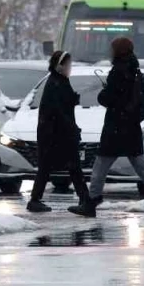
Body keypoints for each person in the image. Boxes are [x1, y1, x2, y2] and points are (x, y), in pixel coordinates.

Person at [69, 36, 144, 220]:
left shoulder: (118, 72)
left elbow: (108, 98)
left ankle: (91, 202)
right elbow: (130, 98)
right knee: (142, 167)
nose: (110, 53)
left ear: (118, 52)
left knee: (100, 165)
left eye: (112, 49)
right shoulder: (135, 70)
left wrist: (104, 93)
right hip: (131, 127)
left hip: (116, 128)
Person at [26, 50, 92, 213]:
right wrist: (72, 130)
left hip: (57, 133)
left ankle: (84, 199)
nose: (70, 68)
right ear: (59, 66)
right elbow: (58, 111)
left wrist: (72, 99)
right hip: (55, 134)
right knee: (64, 166)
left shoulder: (61, 81)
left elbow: (64, 104)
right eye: (68, 65)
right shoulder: (55, 83)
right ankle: (84, 199)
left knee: (64, 167)